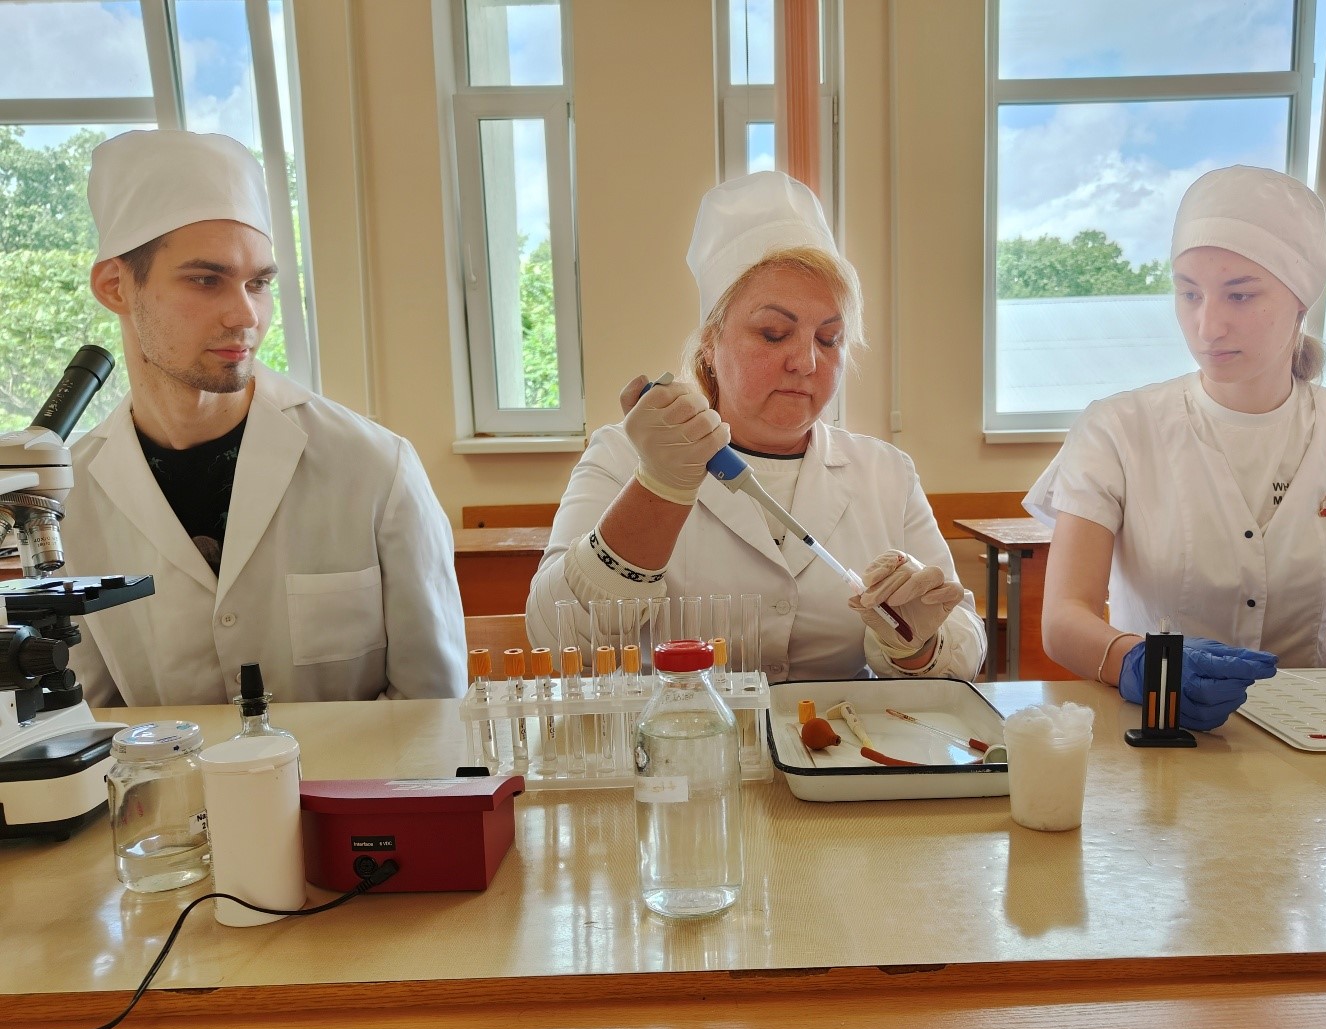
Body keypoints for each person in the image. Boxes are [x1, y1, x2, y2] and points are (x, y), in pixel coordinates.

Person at [1025, 164, 1326, 730]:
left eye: (1239, 295)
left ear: (1301, 302)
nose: (1208, 325)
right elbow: (1064, 619)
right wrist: (1141, 663)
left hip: (1312, 740)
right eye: (1189, 293)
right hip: (1154, 731)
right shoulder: (1118, 428)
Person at [528, 171, 985, 681]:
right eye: (773, 333)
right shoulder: (622, 456)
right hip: (677, 729)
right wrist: (660, 486)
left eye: (829, 339)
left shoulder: (885, 473)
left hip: (836, 731)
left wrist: (917, 645)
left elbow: (965, 644)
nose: (806, 361)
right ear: (711, 342)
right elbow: (557, 636)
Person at [63, 129, 465, 706]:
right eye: (206, 280)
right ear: (115, 286)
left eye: (259, 283)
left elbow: (433, 709)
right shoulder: (69, 497)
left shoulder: (375, 468)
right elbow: (91, 725)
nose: (245, 314)